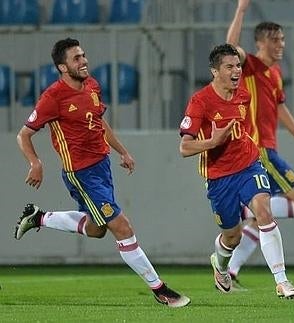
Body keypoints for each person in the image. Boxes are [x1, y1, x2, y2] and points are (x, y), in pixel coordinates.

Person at [14, 38, 190, 308]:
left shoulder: (92, 85)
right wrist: (35, 163)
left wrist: (122, 150)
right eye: (76, 58)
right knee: (122, 226)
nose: (83, 61)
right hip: (81, 173)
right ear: (62, 67)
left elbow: (98, 122)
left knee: (97, 230)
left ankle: (40, 218)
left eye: (84, 55)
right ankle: (160, 289)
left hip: (102, 166)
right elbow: (24, 134)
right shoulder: (53, 97)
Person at [178, 43, 294, 299]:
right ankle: (220, 266)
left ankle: (282, 281)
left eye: (237, 66)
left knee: (263, 211)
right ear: (214, 71)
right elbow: (185, 147)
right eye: (229, 66)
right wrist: (212, 142)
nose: (236, 71)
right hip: (219, 178)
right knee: (231, 237)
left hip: (249, 165)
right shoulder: (200, 102)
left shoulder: (243, 95)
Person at [224, 0, 294, 290]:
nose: (281, 45)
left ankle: (230, 270)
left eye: (282, 40)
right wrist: (241, 9)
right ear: (260, 43)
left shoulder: (275, 75)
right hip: (259, 150)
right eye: (275, 40)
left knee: (260, 218)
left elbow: (280, 109)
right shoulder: (249, 66)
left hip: (268, 149)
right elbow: (229, 47)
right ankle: (244, 209)